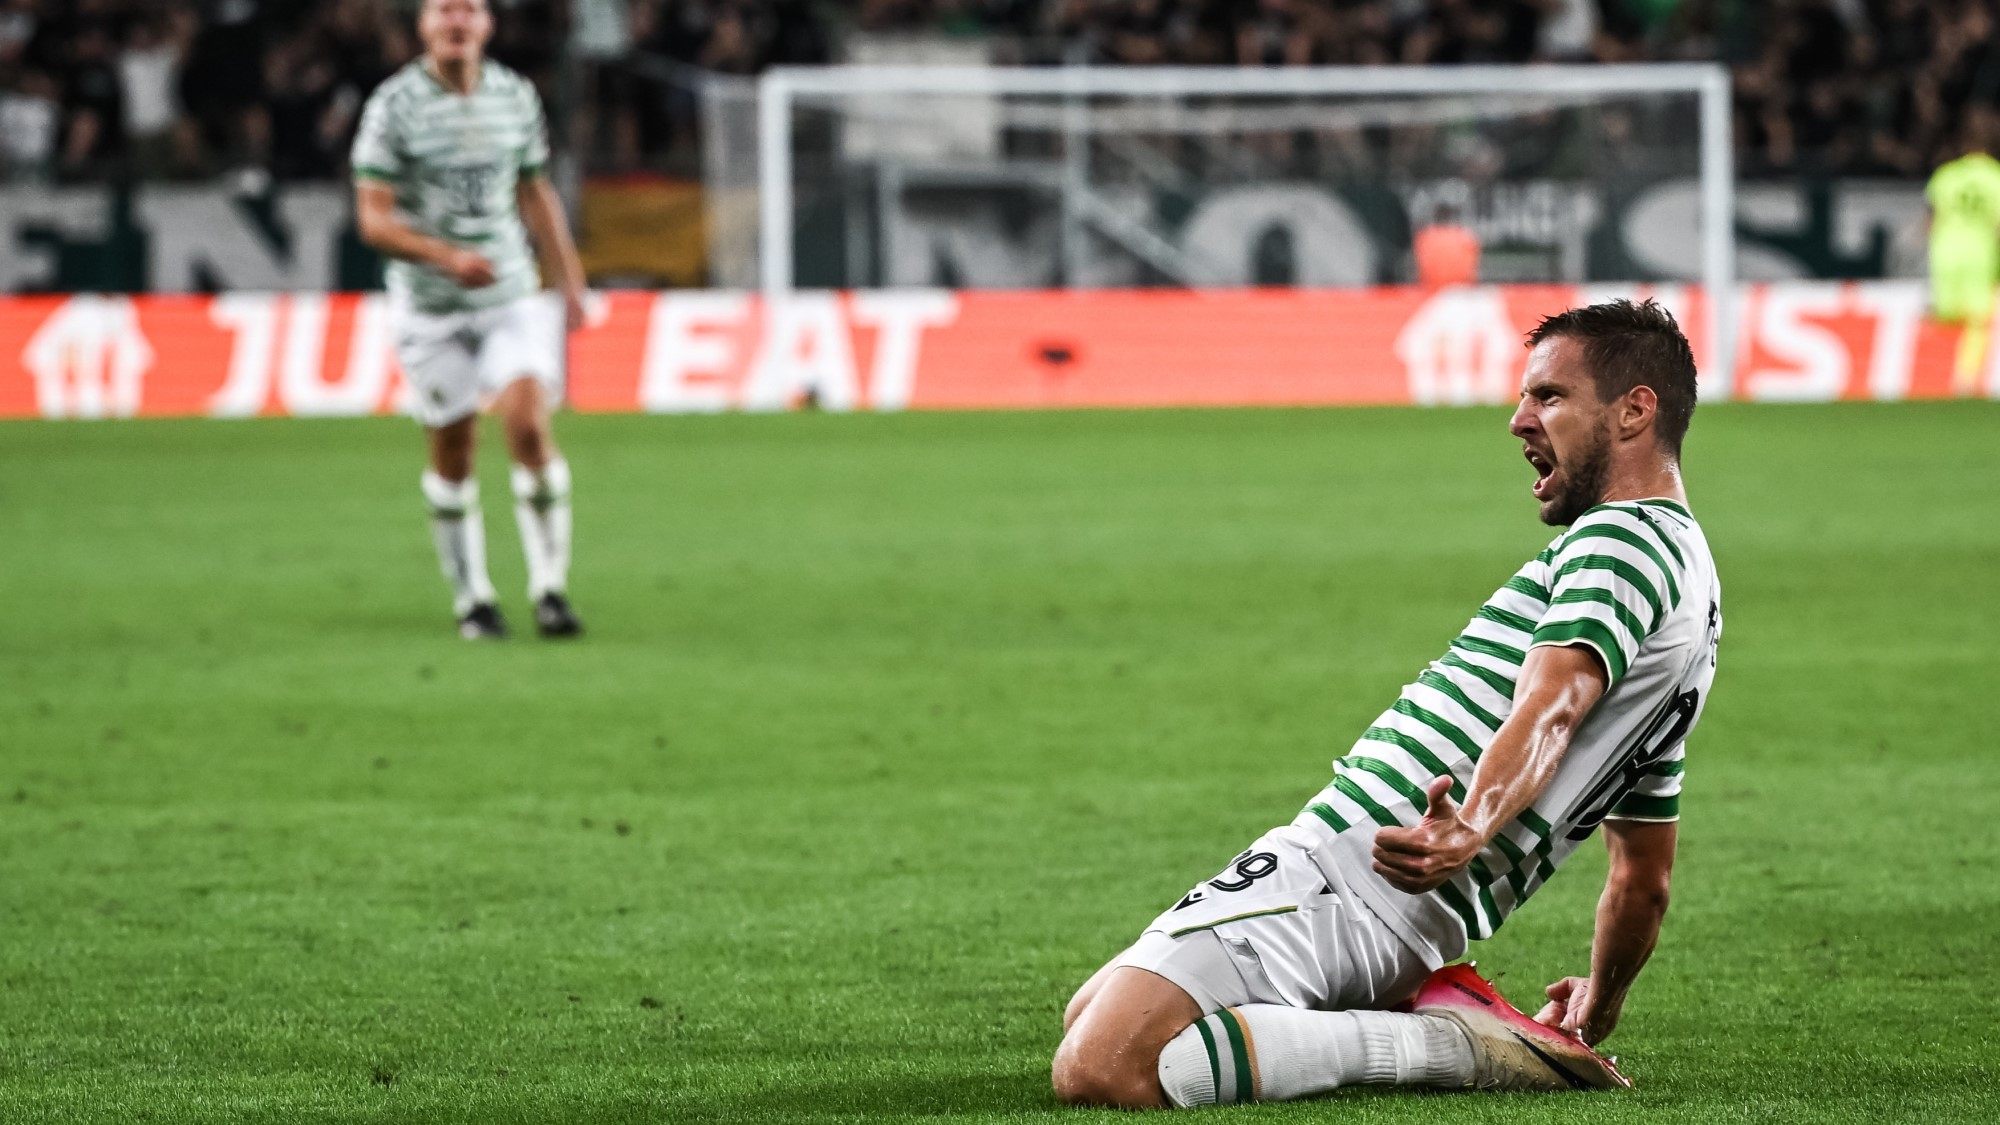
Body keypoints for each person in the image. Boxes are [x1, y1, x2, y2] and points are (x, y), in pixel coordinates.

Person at [1053, 299, 1721, 1107]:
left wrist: (1471, 822)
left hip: (1354, 872)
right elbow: (1644, 874)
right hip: (1411, 912)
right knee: (1092, 1011)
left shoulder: (1622, 539)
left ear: (1634, 411)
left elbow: (1554, 702)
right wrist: (1599, 1003)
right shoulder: (1693, 601)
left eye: (1549, 396)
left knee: (1102, 1065)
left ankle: (1451, 1042)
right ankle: (1427, 1014)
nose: (1519, 419)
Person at [351, 0, 587, 639]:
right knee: (454, 451)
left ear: (487, 24)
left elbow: (534, 190)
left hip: (509, 298)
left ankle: (549, 589)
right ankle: (473, 599)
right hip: (431, 309)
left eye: (470, 9)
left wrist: (569, 278)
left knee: (529, 428)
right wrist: (445, 257)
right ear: (423, 25)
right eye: (444, 9)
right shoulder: (392, 108)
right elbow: (373, 219)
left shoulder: (515, 96)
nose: (457, 21)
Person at [1924, 117, 2000, 396]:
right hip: (1980, 252)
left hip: (1944, 251)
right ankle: (1965, 378)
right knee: (1978, 319)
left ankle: (1933, 372)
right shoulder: (1996, 177)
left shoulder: (1946, 175)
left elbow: (1931, 220)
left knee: (1945, 314)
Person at [1412, 203, 1480, 287]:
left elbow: (1418, 269)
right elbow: (1473, 270)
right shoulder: (1466, 237)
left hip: (1431, 288)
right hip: (1461, 288)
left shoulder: (1425, 237)